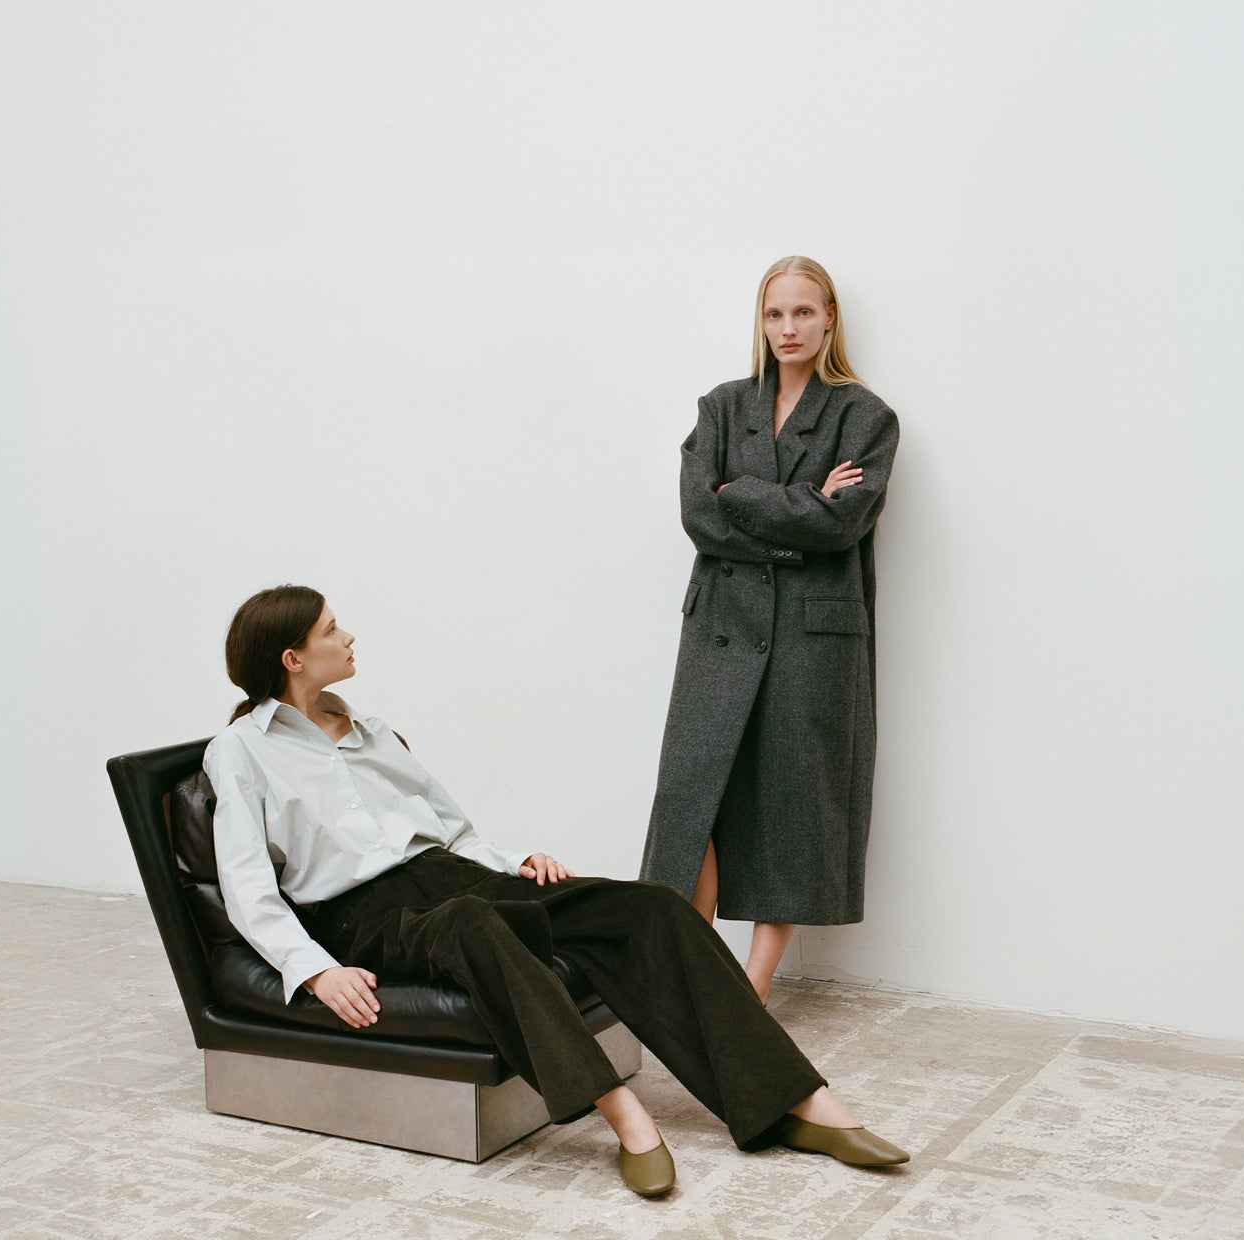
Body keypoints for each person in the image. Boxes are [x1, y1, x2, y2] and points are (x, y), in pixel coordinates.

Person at [204, 585, 908, 1197]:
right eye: (332, 630)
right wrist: (316, 970)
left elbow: (452, 831)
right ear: (293, 658)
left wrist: (516, 862)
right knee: (474, 922)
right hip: (362, 914)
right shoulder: (240, 751)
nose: (349, 636)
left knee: (650, 906)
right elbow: (247, 885)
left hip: (453, 876)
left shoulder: (371, 732)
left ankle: (799, 1102)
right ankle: (624, 1116)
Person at [640, 256, 899, 1002]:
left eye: (803, 312)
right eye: (775, 314)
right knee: (695, 798)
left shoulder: (866, 418)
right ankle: (696, 968)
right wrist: (800, 509)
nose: (788, 328)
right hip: (722, 623)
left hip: (812, 637)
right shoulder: (722, 406)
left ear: (829, 319)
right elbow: (699, 514)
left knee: (791, 799)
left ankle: (750, 989)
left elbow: (842, 523)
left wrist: (742, 492)